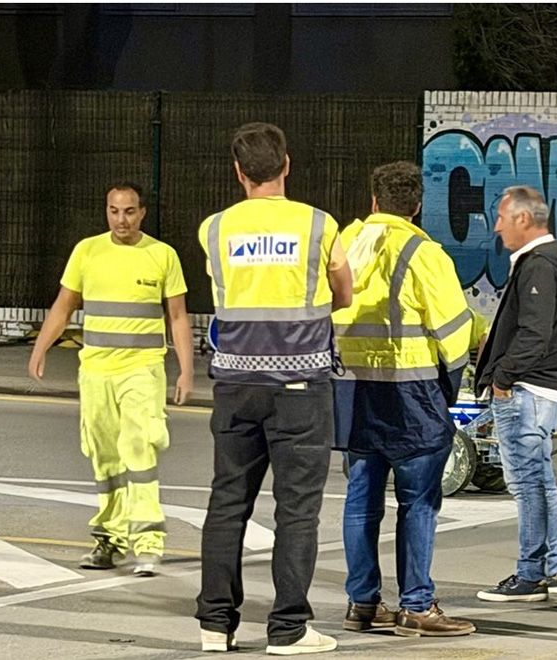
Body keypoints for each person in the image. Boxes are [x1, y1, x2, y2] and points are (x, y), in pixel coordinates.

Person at [194, 122, 353, 655]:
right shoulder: (318, 225)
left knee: (227, 504)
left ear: (238, 172)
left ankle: (215, 624)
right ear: (287, 165)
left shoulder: (213, 228)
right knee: (297, 510)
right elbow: (343, 293)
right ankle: (288, 629)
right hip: (300, 386)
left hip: (235, 382)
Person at [332, 161, 476, 638]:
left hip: (353, 393)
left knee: (360, 501)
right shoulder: (425, 253)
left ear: (373, 202)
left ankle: (362, 604)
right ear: (416, 206)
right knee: (417, 504)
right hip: (411, 398)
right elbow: (453, 333)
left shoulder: (345, 246)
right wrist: (448, 390)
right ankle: (415, 605)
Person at [29, 182, 194, 578]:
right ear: (106, 211)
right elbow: (64, 305)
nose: (122, 219)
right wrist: (40, 348)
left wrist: (186, 369)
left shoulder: (161, 255)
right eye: (114, 211)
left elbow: (177, 317)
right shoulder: (87, 251)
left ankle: (149, 542)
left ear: (142, 213)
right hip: (97, 371)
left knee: (140, 450)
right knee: (105, 458)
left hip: (142, 369)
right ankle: (110, 538)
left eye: (130, 211)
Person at [473, 186, 557, 603]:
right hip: (542, 390)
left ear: (524, 219)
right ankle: (550, 569)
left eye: (502, 217)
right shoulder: (555, 262)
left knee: (526, 485)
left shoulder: (538, 265)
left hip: (525, 391)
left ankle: (530, 574)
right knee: (539, 483)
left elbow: (534, 333)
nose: (497, 225)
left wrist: (502, 379)